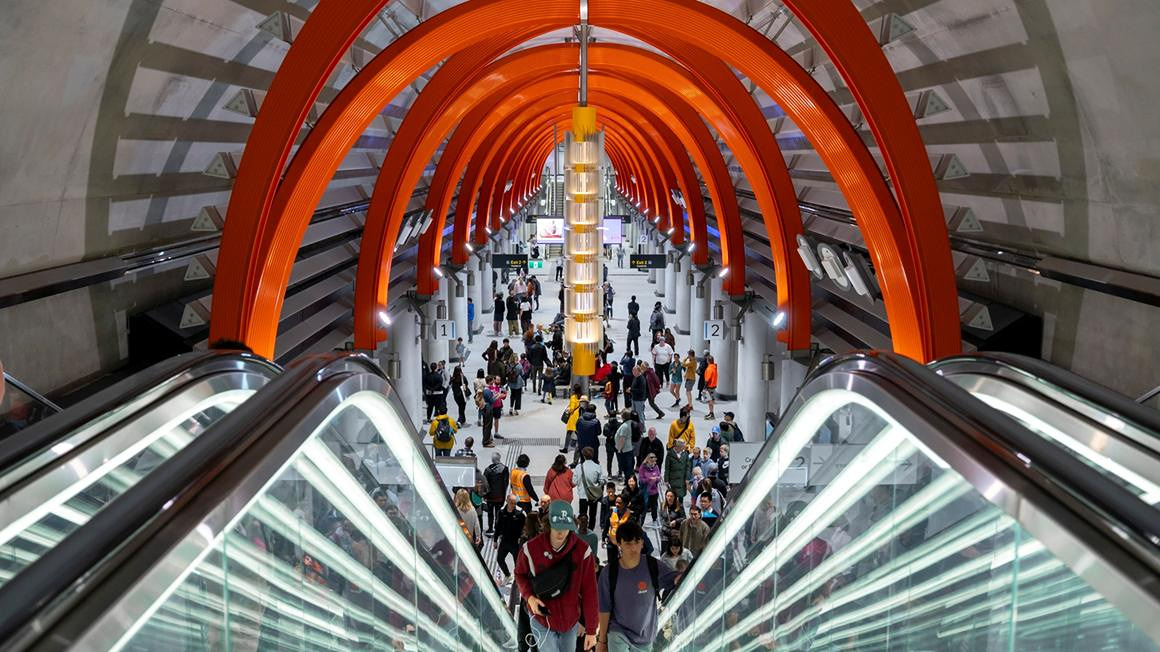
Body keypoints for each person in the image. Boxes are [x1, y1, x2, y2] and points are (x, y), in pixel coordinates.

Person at [513, 501, 599, 652]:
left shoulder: (583, 552)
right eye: (557, 526)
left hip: (570, 621)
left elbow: (590, 591)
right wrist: (530, 598)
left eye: (565, 527)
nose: (561, 532)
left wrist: (591, 629)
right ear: (548, 523)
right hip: (542, 620)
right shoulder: (530, 549)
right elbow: (519, 575)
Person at [596, 521, 680, 652]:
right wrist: (602, 640)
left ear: (642, 542)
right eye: (628, 544)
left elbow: (674, 579)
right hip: (618, 632)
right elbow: (604, 608)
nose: (633, 548)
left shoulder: (653, 566)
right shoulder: (609, 573)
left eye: (637, 542)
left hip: (645, 634)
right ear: (619, 545)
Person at [575, 446, 606, 526]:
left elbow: (574, 481)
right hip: (593, 495)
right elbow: (602, 481)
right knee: (593, 515)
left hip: (582, 495)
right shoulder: (597, 466)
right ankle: (591, 530)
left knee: (582, 515)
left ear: (583, 455)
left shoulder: (579, 467)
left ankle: (582, 529)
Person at [483, 452, 509, 534]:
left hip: (490, 497)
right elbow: (506, 482)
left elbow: (485, 484)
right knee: (498, 513)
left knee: (490, 514)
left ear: (492, 460)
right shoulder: (505, 469)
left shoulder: (487, 470)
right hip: (500, 496)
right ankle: (497, 528)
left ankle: (490, 528)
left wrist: (485, 495)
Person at [635, 452, 663, 524]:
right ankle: (641, 522)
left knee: (654, 506)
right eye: (652, 461)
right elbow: (641, 479)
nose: (653, 463)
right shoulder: (642, 467)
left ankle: (654, 519)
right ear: (647, 460)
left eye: (654, 461)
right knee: (644, 506)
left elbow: (659, 477)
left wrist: (656, 479)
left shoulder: (656, 467)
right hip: (645, 491)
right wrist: (649, 479)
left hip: (654, 490)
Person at [664, 439, 693, 504]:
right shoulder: (670, 454)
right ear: (678, 447)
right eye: (682, 447)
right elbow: (667, 468)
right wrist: (666, 480)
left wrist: (687, 478)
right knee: (672, 498)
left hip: (682, 480)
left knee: (680, 498)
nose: (683, 449)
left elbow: (688, 467)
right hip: (673, 480)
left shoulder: (685, 454)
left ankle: (680, 511)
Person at [560, 385, 583, 453]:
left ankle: (566, 448)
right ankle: (580, 446)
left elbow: (572, 408)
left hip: (573, 416)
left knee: (569, 432)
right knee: (578, 432)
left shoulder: (573, 397)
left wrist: (568, 410)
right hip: (579, 415)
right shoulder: (582, 396)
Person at [613, 412, 636, 481]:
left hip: (625, 450)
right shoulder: (629, 423)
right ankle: (628, 481)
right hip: (628, 449)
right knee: (629, 468)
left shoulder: (625, 426)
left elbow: (622, 439)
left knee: (627, 469)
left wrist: (619, 449)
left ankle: (627, 482)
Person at [602, 410, 621, 477]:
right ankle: (620, 473)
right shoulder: (619, 424)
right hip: (618, 444)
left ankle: (609, 474)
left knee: (609, 459)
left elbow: (604, 433)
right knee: (619, 459)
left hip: (609, 443)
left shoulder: (607, 425)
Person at [704, 355, 718, 419]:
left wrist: (704, 387)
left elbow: (707, 379)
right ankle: (711, 412)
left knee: (710, 401)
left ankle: (712, 414)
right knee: (710, 401)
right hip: (713, 386)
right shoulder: (714, 367)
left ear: (708, 361)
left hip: (710, 387)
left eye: (707, 360)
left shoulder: (710, 368)